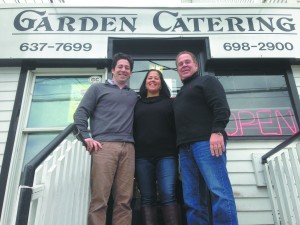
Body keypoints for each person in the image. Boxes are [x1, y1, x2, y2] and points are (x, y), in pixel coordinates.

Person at [173, 51, 238, 225]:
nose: (184, 65)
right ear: (177, 70)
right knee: (193, 201)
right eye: (180, 64)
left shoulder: (207, 81)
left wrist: (217, 131)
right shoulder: (181, 93)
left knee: (220, 193)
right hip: (185, 149)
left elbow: (221, 107)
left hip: (207, 144)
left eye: (187, 62)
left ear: (196, 65)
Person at [73, 52, 138, 225]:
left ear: (130, 73)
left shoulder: (133, 96)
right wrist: (85, 137)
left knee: (124, 200)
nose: (124, 70)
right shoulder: (97, 89)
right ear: (113, 70)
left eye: (127, 68)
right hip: (104, 147)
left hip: (129, 148)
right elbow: (81, 113)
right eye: (121, 67)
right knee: (100, 198)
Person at [133, 69, 181, 225]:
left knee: (168, 194)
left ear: (161, 83)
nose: (152, 80)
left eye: (156, 78)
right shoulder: (136, 104)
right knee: (147, 197)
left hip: (166, 155)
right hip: (142, 157)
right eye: (149, 78)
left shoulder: (170, 103)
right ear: (145, 83)